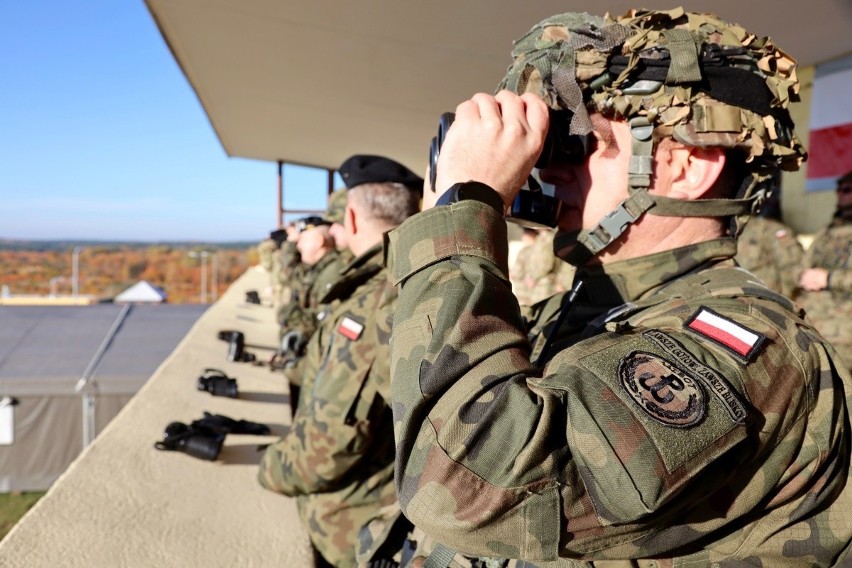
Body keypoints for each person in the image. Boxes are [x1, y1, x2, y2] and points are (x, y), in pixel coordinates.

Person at [385, 8, 852, 567]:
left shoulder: (746, 345)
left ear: (684, 166)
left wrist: (464, 210)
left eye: (578, 143)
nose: (550, 170)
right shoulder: (581, 307)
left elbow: (467, 487)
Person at [258, 154, 422, 568]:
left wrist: (266, 465)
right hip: (384, 519)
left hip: (357, 532)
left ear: (350, 218)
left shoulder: (377, 300)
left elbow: (326, 447)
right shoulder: (411, 278)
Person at [799, 170, 852, 371]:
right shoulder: (827, 231)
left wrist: (829, 279)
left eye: (847, 189)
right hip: (814, 331)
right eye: (839, 189)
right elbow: (801, 267)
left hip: (845, 337)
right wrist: (804, 277)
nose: (840, 193)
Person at [734, 188, 804, 298]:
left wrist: (784, 301)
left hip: (765, 301)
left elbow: (792, 268)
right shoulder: (728, 229)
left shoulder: (771, 229)